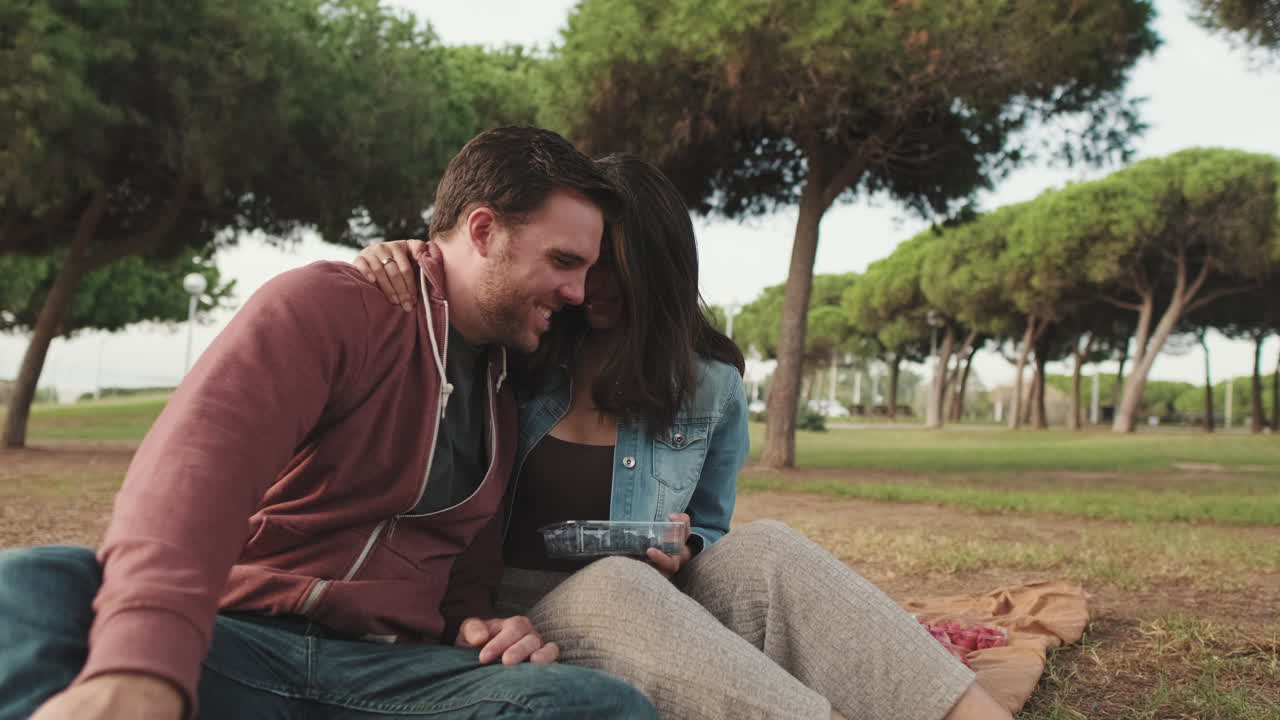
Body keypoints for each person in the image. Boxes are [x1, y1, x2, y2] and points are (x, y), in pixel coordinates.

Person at [0, 127, 657, 720]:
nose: (576, 294)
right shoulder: (332, 307)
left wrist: (477, 625)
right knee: (34, 585)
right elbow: (197, 471)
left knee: (597, 705)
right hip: (234, 639)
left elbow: (468, 574)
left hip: (384, 674)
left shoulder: (505, 396)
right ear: (483, 232)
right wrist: (140, 666)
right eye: (565, 263)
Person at [354, 154, 1013, 720]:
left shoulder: (710, 383)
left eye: (613, 265)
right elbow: (454, 286)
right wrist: (402, 258)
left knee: (769, 549)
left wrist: (686, 545)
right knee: (615, 581)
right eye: (580, 261)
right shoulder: (521, 341)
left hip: (656, 603)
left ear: (658, 266)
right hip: (526, 611)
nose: (589, 284)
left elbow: (713, 531)